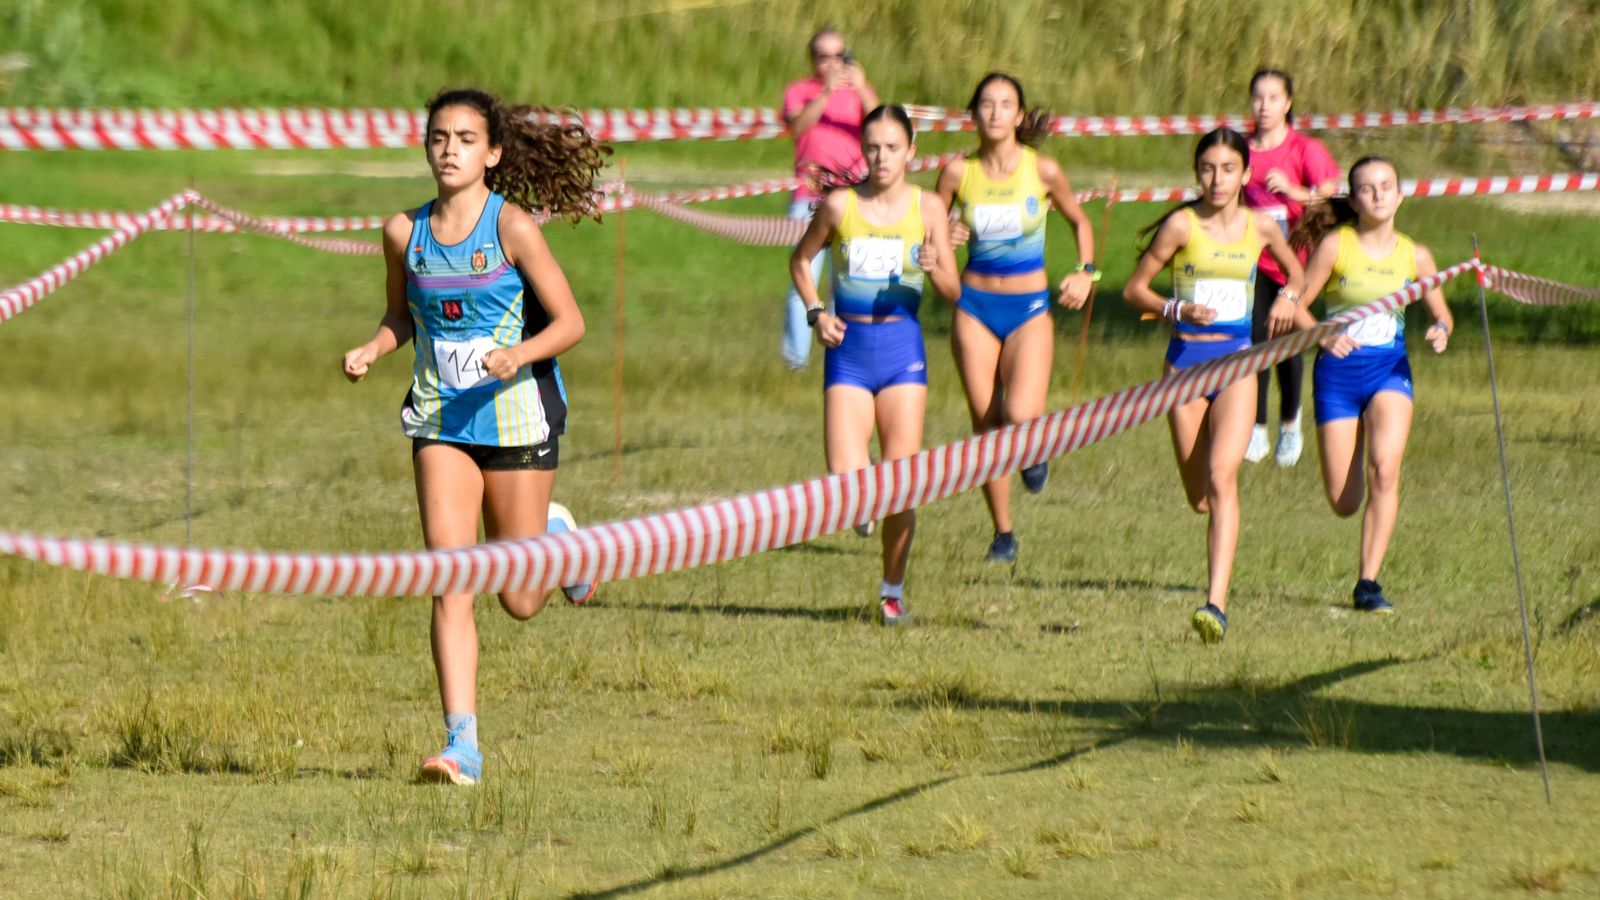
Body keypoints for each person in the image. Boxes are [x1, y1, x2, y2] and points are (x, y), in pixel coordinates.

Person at [340, 88, 606, 785]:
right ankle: (462, 745)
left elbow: (570, 322)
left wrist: (519, 354)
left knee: (518, 600)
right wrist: (373, 348)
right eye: (438, 138)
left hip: (517, 417)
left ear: (491, 153)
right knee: (450, 578)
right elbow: (401, 317)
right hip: (441, 421)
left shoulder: (512, 227)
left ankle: (557, 537)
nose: (449, 149)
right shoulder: (404, 232)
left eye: (464, 138)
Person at [1122, 128, 1304, 644]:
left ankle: (1215, 605)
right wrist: (1174, 309)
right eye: (1207, 168)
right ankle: (1214, 583)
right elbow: (1135, 289)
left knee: (1224, 479)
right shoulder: (1181, 226)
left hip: (1237, 366)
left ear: (1246, 174)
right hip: (1183, 369)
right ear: (1196, 172)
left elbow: (1298, 276)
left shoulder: (1263, 227)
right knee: (1199, 497)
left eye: (1228, 169)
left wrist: (1290, 297)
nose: (1217, 178)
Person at [790, 104, 959, 624]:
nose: (881, 157)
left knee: (902, 482)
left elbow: (955, 293)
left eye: (891, 147)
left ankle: (892, 591)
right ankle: (864, 505)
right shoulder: (841, 206)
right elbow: (800, 260)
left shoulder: (929, 208)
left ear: (911, 151)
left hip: (903, 351)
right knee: (847, 480)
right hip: (849, 351)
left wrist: (935, 268)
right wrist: (817, 313)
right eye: (872, 147)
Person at [1270, 155, 1453, 614]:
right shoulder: (1337, 245)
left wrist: (1442, 330)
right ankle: (1354, 512)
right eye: (1367, 188)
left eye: (1386, 186)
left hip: (1389, 371)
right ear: (1353, 199)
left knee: (1385, 470)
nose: (1377, 194)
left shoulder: (1416, 254)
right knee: (1344, 500)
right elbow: (1298, 305)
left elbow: (1441, 311)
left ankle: (1368, 583)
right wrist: (1324, 333)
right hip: (1337, 376)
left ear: (1400, 195)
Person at [936, 73, 1096, 564]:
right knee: (986, 424)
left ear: (1020, 116)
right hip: (975, 308)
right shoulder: (957, 173)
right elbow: (927, 226)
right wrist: (947, 231)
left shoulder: (1043, 171)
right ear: (974, 112)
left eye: (1006, 104)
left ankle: (1034, 444)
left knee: (1021, 415)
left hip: (1028, 308)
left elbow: (1079, 221)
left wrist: (1086, 272)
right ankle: (1003, 534)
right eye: (986, 103)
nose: (996, 112)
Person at [1242, 69, 1341, 467]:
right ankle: (1256, 426)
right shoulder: (1242, 149)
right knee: (1255, 340)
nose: (1264, 106)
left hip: (1293, 260)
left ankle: (1290, 424)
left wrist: (1295, 191)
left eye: (1272, 98)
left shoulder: (1305, 149)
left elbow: (1331, 198)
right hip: (1251, 260)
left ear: (1287, 103)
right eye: (1257, 97)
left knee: (1287, 342)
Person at [779, 28, 879, 370]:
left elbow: (882, 125)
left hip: (853, 195)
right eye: (824, 56)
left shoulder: (858, 93)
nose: (832, 63)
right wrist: (825, 93)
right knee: (803, 277)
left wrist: (862, 86)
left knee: (847, 280)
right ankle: (796, 361)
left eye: (839, 55)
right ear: (813, 60)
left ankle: (840, 353)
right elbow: (798, 128)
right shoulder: (800, 91)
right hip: (808, 194)